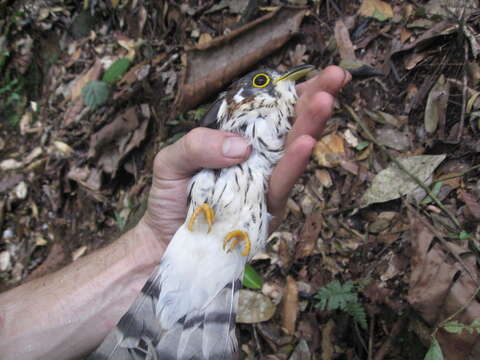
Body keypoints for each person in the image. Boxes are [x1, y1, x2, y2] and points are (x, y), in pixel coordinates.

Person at [0, 66, 351, 360]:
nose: (273, 86)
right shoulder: (226, 122)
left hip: (225, 241)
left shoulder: (277, 132)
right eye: (262, 81)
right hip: (196, 231)